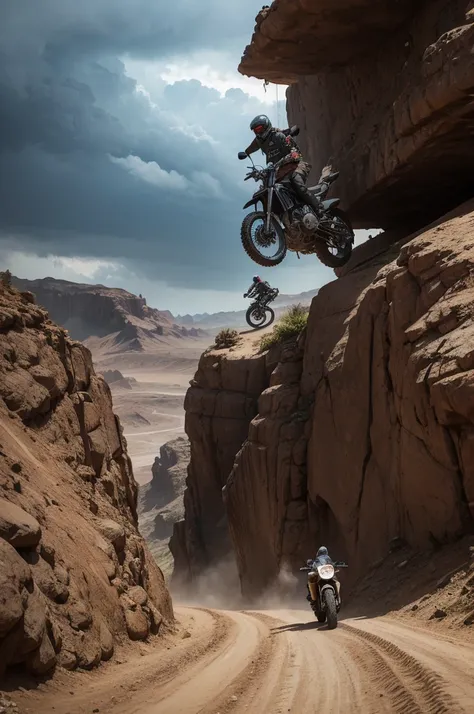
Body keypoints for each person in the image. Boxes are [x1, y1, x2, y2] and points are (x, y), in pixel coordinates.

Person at [239, 114, 322, 215]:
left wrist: (289, 157)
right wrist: (246, 153)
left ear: (266, 126)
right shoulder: (259, 142)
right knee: (268, 190)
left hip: (295, 166)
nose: (258, 133)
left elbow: (296, 153)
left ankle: (319, 209)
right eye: (256, 131)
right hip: (279, 172)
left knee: (297, 184)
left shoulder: (279, 136)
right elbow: (250, 148)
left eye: (260, 129)